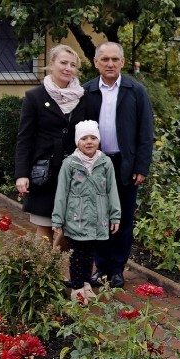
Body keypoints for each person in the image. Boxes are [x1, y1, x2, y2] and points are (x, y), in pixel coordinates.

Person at [83, 41, 154, 288]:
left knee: (122, 218)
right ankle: (100, 268)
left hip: (125, 164)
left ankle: (117, 270)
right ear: (96, 63)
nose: (110, 63)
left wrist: (141, 167)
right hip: (96, 164)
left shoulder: (136, 91)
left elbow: (146, 133)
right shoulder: (87, 91)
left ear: (122, 62)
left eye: (115, 59)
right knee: (99, 218)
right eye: (105, 59)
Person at [15, 44, 87, 241]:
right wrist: (21, 174)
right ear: (52, 64)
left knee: (69, 231)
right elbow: (25, 138)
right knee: (45, 229)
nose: (68, 68)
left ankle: (65, 270)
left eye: (73, 65)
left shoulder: (83, 98)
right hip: (44, 174)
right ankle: (43, 271)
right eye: (63, 62)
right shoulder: (35, 97)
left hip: (75, 174)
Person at [52, 120, 120, 301]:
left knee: (90, 254)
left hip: (97, 219)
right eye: (84, 138)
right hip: (76, 218)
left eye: (93, 138)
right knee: (76, 254)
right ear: (77, 142)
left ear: (98, 140)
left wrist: (115, 216)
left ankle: (86, 282)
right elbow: (61, 193)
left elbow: (112, 191)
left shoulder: (105, 163)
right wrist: (57, 219)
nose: (89, 142)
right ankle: (76, 287)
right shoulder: (70, 164)